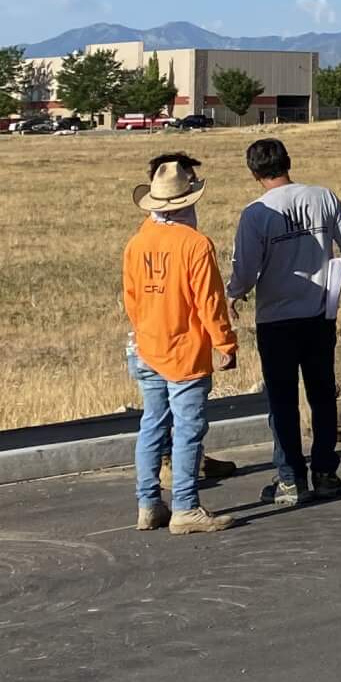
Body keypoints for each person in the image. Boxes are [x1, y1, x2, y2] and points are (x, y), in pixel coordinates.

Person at [227, 136, 341, 508]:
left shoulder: (255, 214)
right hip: (320, 313)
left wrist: (232, 294)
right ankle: (325, 472)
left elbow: (245, 270)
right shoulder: (323, 197)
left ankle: (290, 479)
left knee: (282, 401)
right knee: (322, 395)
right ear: (289, 162)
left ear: (254, 173)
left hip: (276, 319)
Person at [120, 153, 238, 533]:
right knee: (188, 429)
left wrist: (145, 332)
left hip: (146, 347)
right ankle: (186, 506)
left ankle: (148, 503)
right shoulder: (195, 244)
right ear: (187, 201)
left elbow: (132, 299)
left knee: (152, 424)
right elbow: (210, 302)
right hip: (184, 352)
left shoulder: (137, 243)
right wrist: (225, 343)